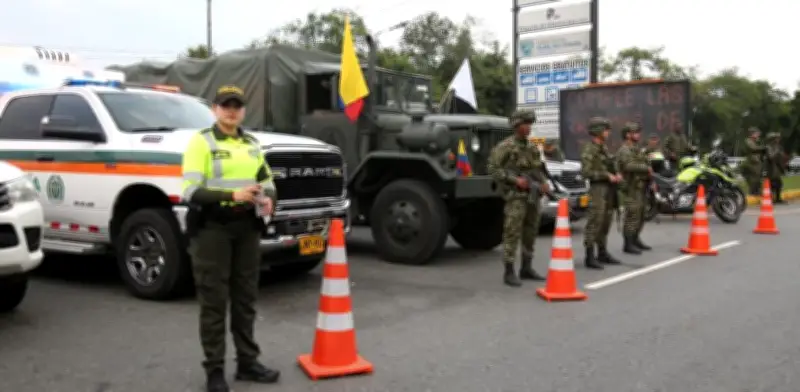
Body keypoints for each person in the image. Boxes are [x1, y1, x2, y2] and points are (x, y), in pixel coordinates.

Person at [181, 85, 280, 392]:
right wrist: (231, 195)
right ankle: (214, 370)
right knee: (214, 302)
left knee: (245, 299)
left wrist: (269, 197)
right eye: (226, 105)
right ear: (215, 109)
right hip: (213, 229)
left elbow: (266, 178)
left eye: (237, 106)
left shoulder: (251, 143)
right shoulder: (201, 142)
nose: (232, 111)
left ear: (243, 111)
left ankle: (247, 363)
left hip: (246, 227)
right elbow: (190, 192)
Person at [487, 110, 549, 287]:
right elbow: (493, 168)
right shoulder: (506, 146)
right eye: (525, 124)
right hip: (515, 197)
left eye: (530, 124)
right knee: (512, 232)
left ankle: (526, 267)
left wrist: (544, 183)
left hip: (532, 196)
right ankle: (509, 271)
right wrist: (515, 180)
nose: (529, 127)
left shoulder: (531, 147)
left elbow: (537, 169)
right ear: (516, 125)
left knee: (531, 231)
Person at [580, 117, 622, 269]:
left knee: (605, 221)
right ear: (597, 130)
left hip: (608, 189)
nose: (608, 132)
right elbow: (586, 172)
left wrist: (616, 174)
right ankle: (589, 255)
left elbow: (609, 165)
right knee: (595, 221)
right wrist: (606, 176)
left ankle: (602, 252)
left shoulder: (603, 148)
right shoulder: (589, 149)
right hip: (597, 189)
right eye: (605, 129)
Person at [616, 122, 652, 254]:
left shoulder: (636, 149)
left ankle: (636, 238)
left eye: (638, 132)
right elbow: (628, 166)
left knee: (641, 214)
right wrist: (646, 168)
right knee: (632, 215)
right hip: (631, 187)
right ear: (627, 135)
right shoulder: (624, 150)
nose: (638, 135)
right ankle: (628, 243)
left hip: (641, 186)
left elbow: (645, 161)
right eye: (635, 132)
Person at [740, 127, 767, 196]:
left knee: (758, 178)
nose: (758, 135)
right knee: (754, 179)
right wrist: (763, 148)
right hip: (752, 162)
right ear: (752, 134)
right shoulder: (748, 141)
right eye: (756, 134)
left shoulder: (756, 141)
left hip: (757, 162)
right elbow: (753, 148)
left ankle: (757, 192)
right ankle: (753, 192)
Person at [765, 132, 787, 203]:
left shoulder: (778, 147)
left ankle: (778, 198)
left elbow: (782, 156)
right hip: (772, 169)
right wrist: (777, 152)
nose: (778, 139)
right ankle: (771, 198)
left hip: (778, 168)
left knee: (779, 184)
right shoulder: (768, 147)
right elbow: (771, 157)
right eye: (776, 138)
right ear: (772, 139)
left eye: (778, 138)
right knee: (772, 184)